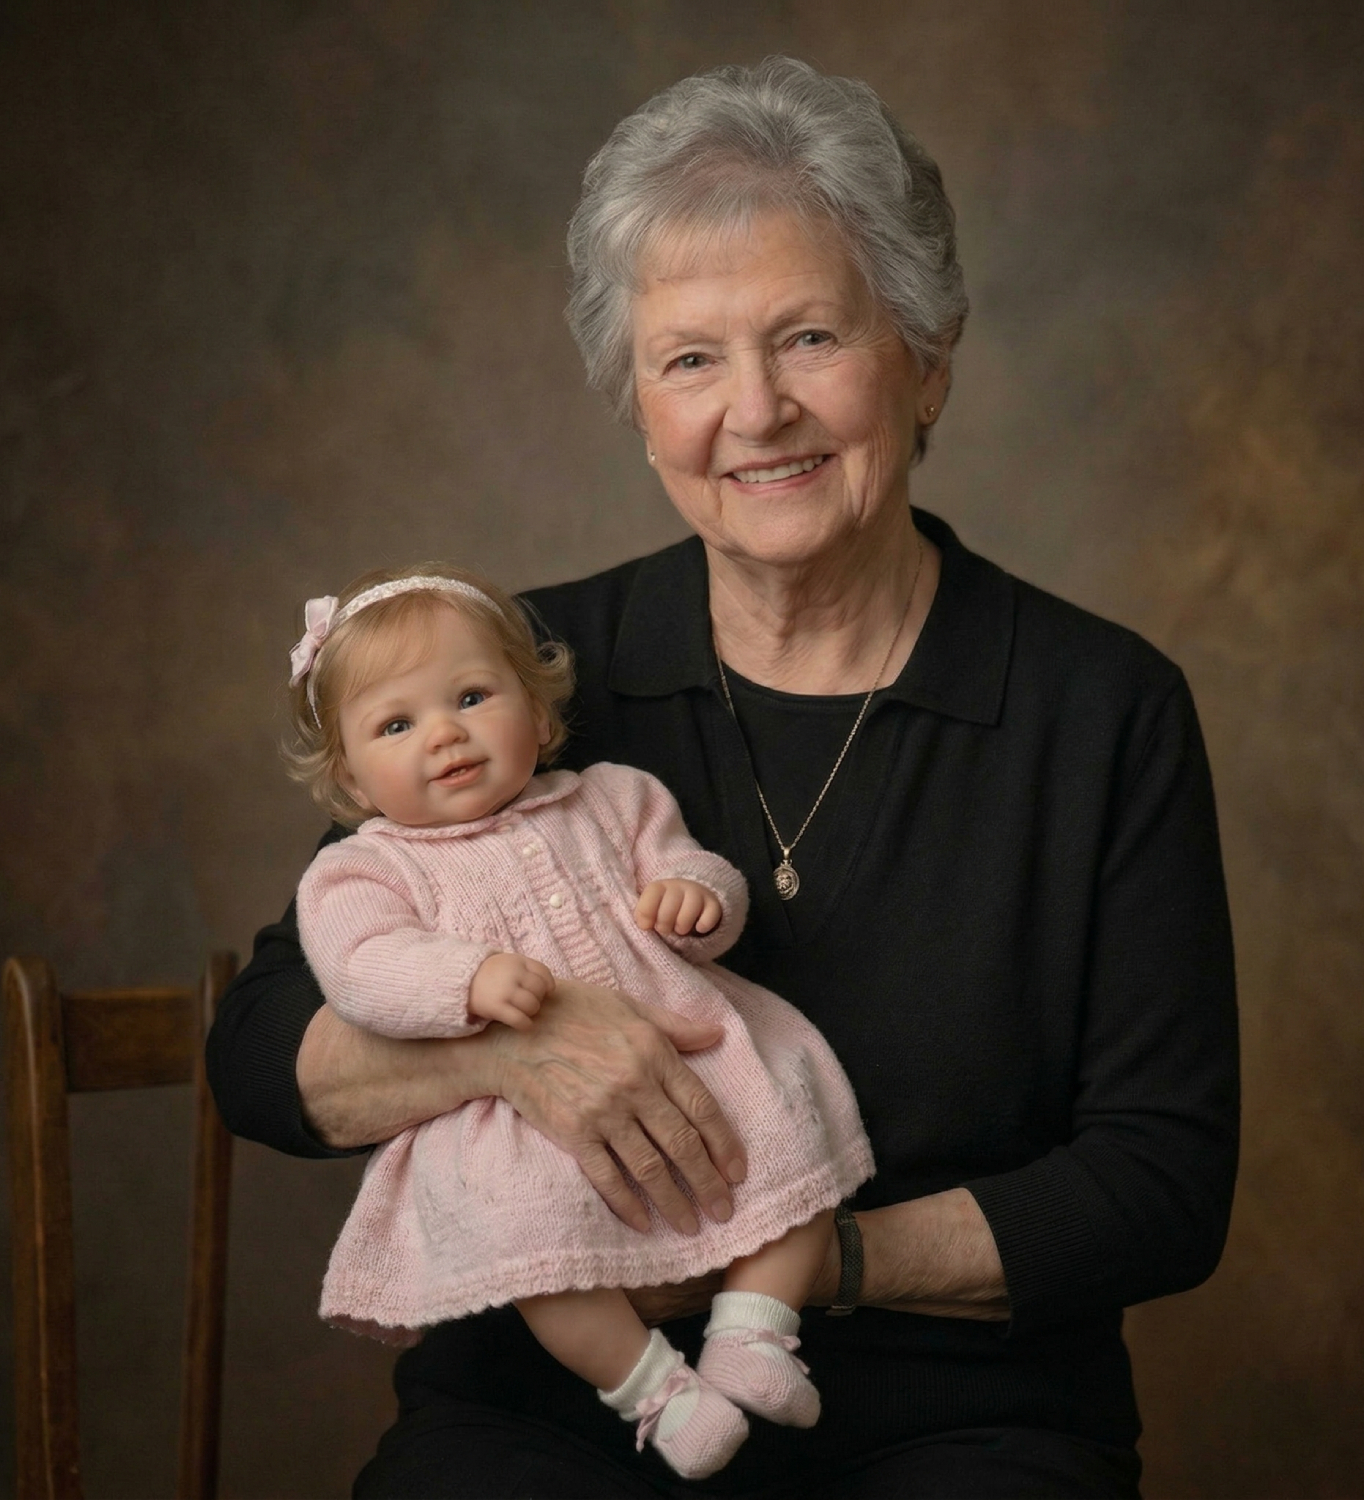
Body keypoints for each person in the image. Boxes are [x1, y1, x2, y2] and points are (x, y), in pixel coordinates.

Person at [209, 57, 1239, 1499]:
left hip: (960, 1418)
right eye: (690, 358)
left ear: (926, 357)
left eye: (812, 336)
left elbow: (1160, 1186)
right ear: (639, 401)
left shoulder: (1100, 708)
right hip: (555, 1408)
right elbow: (260, 1045)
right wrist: (512, 1052)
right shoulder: (524, 674)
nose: (755, 411)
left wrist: (803, 1256)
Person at [283, 562, 874, 1479]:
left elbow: (692, 866)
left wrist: (698, 898)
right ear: (353, 782)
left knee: (792, 1130)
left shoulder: (618, 796)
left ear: (541, 713)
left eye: (472, 696)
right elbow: (359, 968)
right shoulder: (365, 872)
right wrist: (464, 979)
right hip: (515, 1125)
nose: (445, 734)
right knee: (536, 1250)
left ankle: (754, 1335)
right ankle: (654, 1393)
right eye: (396, 725)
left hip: (688, 1046)